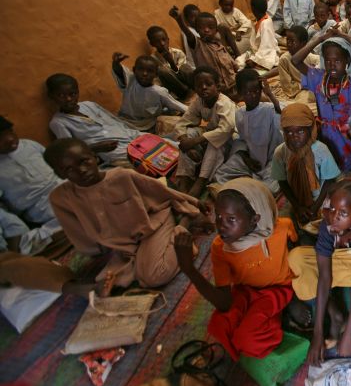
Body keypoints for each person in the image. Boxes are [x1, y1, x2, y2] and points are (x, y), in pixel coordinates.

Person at [174, 178, 309, 360]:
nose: (221, 225)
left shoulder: (281, 228)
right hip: (244, 292)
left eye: (231, 219)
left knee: (247, 339)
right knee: (218, 326)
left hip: (276, 289)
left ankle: (284, 307)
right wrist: (189, 269)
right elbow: (225, 303)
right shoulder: (220, 247)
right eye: (218, 216)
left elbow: (299, 255)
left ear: (254, 220)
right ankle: (274, 318)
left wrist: (297, 294)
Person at [45, 138, 202, 294]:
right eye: (69, 169)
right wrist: (101, 247)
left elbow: (162, 192)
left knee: (154, 276)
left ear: (94, 156)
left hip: (153, 225)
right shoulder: (61, 198)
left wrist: (193, 204)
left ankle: (182, 230)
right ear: (60, 174)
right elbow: (81, 237)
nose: (82, 170)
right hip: (122, 243)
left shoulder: (121, 176)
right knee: (108, 283)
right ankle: (142, 259)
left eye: (84, 161)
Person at [288, 178, 351, 364]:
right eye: (333, 209)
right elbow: (324, 276)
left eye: (343, 213)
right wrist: (318, 334)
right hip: (337, 263)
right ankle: (335, 313)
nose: (335, 216)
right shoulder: (327, 225)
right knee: (296, 258)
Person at [292, 29, 351, 173]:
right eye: (328, 60)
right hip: (327, 135)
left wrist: (347, 37)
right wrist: (319, 39)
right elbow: (295, 60)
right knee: (332, 169)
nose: (332, 65)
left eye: (337, 61)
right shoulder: (318, 78)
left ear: (347, 60)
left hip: (349, 136)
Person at [47, 73, 144, 166]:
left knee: (157, 146)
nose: (68, 99)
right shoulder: (58, 122)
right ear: (51, 96)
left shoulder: (89, 105)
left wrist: (135, 133)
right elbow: (70, 151)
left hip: (131, 135)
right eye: (61, 96)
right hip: (114, 150)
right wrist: (95, 148)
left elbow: (115, 121)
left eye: (72, 94)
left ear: (78, 92)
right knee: (146, 163)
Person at [0, 116, 62, 255]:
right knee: (77, 214)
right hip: (40, 207)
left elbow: (55, 163)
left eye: (10, 131)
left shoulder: (29, 145)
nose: (9, 138)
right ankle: (37, 238)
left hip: (64, 187)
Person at [272, 103, 340, 225]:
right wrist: (297, 206)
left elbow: (330, 181)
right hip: (294, 198)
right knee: (283, 222)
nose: (295, 137)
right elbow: (282, 181)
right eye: (289, 132)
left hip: (321, 197)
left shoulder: (321, 150)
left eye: (300, 131)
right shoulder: (280, 152)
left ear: (311, 130)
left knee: (332, 221)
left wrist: (314, 208)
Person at [213, 69, 283, 188]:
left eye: (256, 91)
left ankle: (252, 186)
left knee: (271, 186)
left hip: (273, 159)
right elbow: (242, 140)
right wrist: (246, 159)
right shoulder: (240, 114)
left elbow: (285, 116)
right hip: (252, 159)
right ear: (240, 93)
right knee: (221, 174)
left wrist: (270, 94)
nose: (253, 95)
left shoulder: (270, 109)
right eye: (247, 92)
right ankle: (252, 183)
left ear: (262, 90)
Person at [174, 67, 236, 197]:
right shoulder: (199, 101)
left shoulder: (224, 103)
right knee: (189, 133)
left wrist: (195, 141)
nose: (203, 88)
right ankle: (184, 179)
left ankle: (201, 181)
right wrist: (187, 143)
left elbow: (226, 130)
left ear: (217, 86)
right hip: (211, 134)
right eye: (199, 85)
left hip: (231, 140)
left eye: (208, 84)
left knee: (215, 144)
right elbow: (182, 122)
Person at [170, 6, 239, 97]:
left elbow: (233, 66)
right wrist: (179, 19)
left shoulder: (220, 46)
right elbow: (188, 34)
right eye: (202, 28)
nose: (206, 30)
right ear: (197, 30)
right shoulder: (198, 45)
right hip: (217, 91)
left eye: (210, 27)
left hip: (232, 85)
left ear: (216, 30)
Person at [111, 53, 187, 133]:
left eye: (150, 71)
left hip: (147, 127)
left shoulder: (159, 92)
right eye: (141, 69)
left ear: (156, 74)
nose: (145, 74)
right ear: (134, 70)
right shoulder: (130, 81)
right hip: (123, 122)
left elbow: (178, 106)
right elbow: (119, 71)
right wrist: (116, 63)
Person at [146, 25, 194, 100]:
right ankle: (185, 93)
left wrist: (171, 62)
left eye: (164, 39)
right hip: (175, 90)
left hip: (187, 83)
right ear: (152, 44)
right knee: (163, 70)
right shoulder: (152, 60)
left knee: (185, 67)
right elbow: (158, 82)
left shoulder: (178, 53)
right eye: (157, 41)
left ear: (168, 39)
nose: (162, 43)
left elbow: (183, 72)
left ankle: (195, 88)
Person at [238, 0, 280, 71]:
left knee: (247, 65)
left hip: (267, 53)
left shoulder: (265, 23)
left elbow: (266, 46)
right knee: (238, 62)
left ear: (253, 9)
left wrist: (255, 60)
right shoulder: (259, 20)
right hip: (258, 52)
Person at [276, 26, 314, 103]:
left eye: (292, 41)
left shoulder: (311, 57)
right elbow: (287, 86)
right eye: (287, 40)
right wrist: (303, 86)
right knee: (301, 102)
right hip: (299, 92)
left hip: (313, 89)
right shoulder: (284, 59)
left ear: (303, 44)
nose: (289, 44)